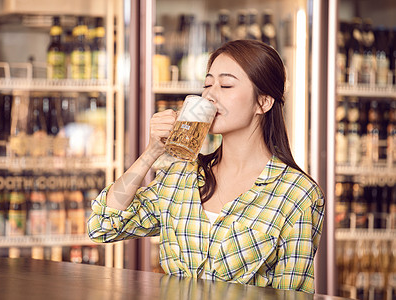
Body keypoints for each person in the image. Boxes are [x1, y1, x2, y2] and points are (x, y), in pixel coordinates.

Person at [87, 39, 325, 293]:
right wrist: (152, 151)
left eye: (225, 85)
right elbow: (102, 225)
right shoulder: (180, 177)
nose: (209, 95)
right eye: (207, 84)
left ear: (263, 102)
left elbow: (292, 294)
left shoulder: (297, 194)